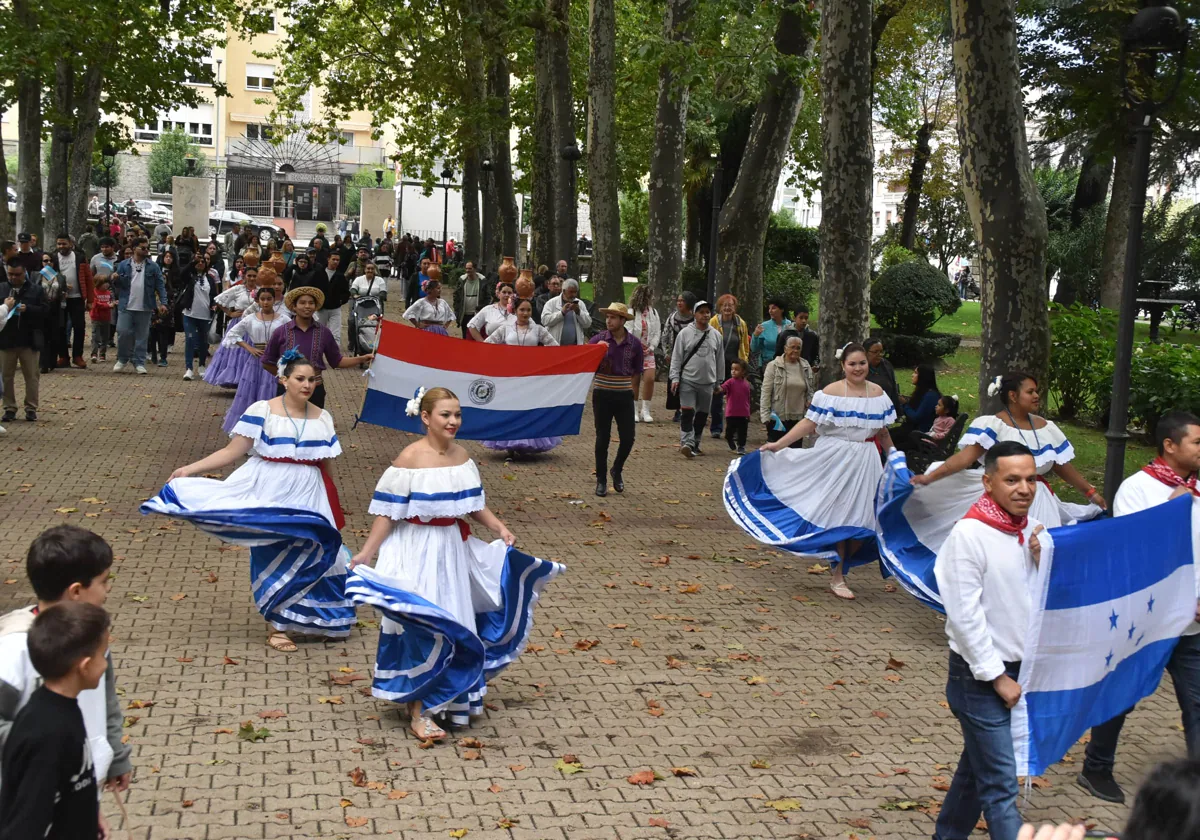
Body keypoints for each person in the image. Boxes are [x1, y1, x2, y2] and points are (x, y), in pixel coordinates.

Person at [347, 387, 562, 741]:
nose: (453, 421)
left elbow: (473, 504)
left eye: (457, 415)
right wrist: (368, 552)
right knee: (425, 623)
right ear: (426, 417)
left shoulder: (463, 457)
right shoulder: (409, 459)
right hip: (415, 548)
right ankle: (419, 711)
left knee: (456, 620)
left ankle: (446, 699)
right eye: (445, 415)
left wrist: (498, 527)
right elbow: (387, 512)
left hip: (451, 548)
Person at [143, 351, 354, 652]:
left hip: (310, 491)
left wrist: (333, 500)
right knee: (274, 551)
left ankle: (320, 619)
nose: (307, 385)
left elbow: (326, 463)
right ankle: (278, 627)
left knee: (323, 552)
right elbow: (232, 451)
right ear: (284, 380)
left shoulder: (323, 417)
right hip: (268, 487)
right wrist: (190, 469)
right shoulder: (262, 410)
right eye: (300, 379)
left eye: (312, 379)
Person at [1077, 411, 1200, 805]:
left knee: (1197, 703)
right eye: (1197, 442)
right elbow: (1135, 552)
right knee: (1122, 695)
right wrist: (1171, 509)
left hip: (1194, 625)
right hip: (1147, 622)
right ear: (1170, 444)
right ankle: (1096, 768)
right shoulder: (1137, 489)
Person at [885, 372, 1105, 575]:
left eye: (1036, 391)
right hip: (1001, 500)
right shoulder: (993, 425)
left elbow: (1062, 466)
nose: (1037, 396)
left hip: (1039, 502)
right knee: (1004, 557)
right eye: (1030, 391)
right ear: (1013, 396)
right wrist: (930, 477)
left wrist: (1091, 493)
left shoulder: (1046, 428)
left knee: (1042, 556)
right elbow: (964, 459)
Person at [933, 441, 1045, 840]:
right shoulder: (968, 535)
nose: (1024, 489)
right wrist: (997, 676)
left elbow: (1036, 600)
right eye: (1012, 479)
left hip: (1019, 672)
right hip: (979, 678)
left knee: (974, 770)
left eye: (1031, 479)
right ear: (987, 482)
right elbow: (964, 617)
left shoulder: (1033, 532)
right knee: (1000, 786)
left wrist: (1043, 560)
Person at [725, 342, 896, 600]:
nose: (858, 368)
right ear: (843, 366)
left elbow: (882, 431)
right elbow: (809, 423)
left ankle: (839, 562)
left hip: (867, 462)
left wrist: (895, 458)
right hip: (835, 459)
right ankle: (839, 574)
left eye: (862, 363)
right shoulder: (831, 392)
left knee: (865, 521)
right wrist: (779, 444)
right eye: (852, 364)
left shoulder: (878, 393)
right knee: (840, 517)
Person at [0, 526, 131, 799]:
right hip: (28, 796)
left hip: (82, 784)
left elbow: (107, 702)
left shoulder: (92, 635)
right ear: (76, 591)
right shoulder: (12, 649)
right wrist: (46, 744)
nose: (107, 591)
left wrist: (116, 756)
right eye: (104, 581)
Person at [0, 601, 111, 840]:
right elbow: (26, 820)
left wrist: (88, 811)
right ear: (84, 666)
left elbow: (67, 782)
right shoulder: (47, 733)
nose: (105, 665)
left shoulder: (63, 707)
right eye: (102, 656)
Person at [261, 287, 374, 409]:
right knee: (286, 426)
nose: (307, 306)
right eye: (302, 303)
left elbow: (337, 361)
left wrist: (362, 358)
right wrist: (285, 377)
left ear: (316, 307)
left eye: (311, 303)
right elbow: (266, 362)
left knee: (313, 425)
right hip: (287, 391)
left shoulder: (324, 332)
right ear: (294, 307)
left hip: (315, 390)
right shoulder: (281, 332)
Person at [481, 298, 562, 458]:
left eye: (528, 310)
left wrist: (541, 359)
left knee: (529, 407)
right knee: (510, 407)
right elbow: (487, 343)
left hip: (531, 376)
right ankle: (510, 445)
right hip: (510, 375)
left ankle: (527, 443)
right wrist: (498, 358)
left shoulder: (538, 329)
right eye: (522, 310)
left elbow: (555, 347)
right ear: (515, 311)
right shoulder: (505, 328)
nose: (525, 313)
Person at [589, 302, 644, 497]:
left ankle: (617, 469)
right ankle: (601, 480)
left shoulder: (634, 343)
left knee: (628, 438)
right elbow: (584, 360)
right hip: (602, 394)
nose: (608, 320)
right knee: (602, 438)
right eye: (607, 317)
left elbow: (638, 372)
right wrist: (596, 352)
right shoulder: (599, 339)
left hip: (624, 395)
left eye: (613, 317)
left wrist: (634, 398)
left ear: (622, 320)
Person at [670, 300, 724, 458]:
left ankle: (695, 442)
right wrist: (674, 377)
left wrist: (719, 381)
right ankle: (686, 442)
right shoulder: (685, 334)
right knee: (687, 412)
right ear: (694, 314)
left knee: (701, 415)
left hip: (708, 382)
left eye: (707, 312)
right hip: (688, 379)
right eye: (701, 312)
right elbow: (677, 357)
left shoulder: (716, 335)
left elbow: (719, 360)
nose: (705, 315)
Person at [112, 238, 169, 374]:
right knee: (123, 332)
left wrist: (163, 302)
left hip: (145, 305)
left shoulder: (153, 266)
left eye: (147, 248)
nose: (146, 250)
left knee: (142, 336)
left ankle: (139, 361)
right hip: (126, 304)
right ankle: (123, 358)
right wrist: (115, 279)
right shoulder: (124, 265)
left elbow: (160, 285)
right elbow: (118, 285)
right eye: (143, 248)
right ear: (134, 249)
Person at [0, 261, 47, 423]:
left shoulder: (36, 290)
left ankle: (31, 407)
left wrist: (29, 309)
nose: (14, 277)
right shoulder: (2, 288)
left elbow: (46, 311)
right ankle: (9, 407)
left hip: (29, 340)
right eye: (11, 274)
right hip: (6, 340)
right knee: (6, 376)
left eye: (17, 274)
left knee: (32, 376)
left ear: (24, 273)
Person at [204, 266, 260, 388]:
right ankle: (235, 379)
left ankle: (248, 380)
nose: (251, 278)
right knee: (236, 352)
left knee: (251, 352)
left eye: (254, 276)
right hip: (239, 324)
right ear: (244, 276)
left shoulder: (261, 290)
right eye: (249, 275)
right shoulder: (238, 289)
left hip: (255, 325)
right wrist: (230, 313)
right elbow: (218, 300)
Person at [759, 335, 815, 447]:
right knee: (776, 451)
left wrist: (810, 402)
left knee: (794, 453)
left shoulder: (805, 366)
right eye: (792, 347)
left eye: (798, 348)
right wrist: (765, 416)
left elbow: (810, 390)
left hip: (798, 419)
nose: (795, 350)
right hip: (778, 418)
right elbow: (766, 392)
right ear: (785, 348)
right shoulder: (773, 366)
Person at [708, 294, 750, 439]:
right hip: (718, 364)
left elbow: (744, 343)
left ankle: (735, 428)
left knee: (737, 397)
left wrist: (744, 361)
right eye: (724, 305)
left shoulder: (740, 323)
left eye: (730, 305)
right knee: (718, 395)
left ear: (734, 307)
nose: (727, 308)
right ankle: (716, 427)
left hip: (735, 365)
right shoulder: (714, 322)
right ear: (720, 307)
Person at [50, 234, 94, 369]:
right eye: (59, 244)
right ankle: (63, 357)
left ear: (70, 244)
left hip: (77, 298)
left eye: (64, 244)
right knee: (60, 328)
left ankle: (77, 356)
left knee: (79, 327)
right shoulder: (53, 257)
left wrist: (90, 300)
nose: (61, 247)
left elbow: (88, 278)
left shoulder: (80, 257)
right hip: (59, 298)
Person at [176, 254, 216, 382]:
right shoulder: (190, 277)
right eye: (198, 262)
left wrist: (214, 306)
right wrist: (192, 262)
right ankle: (189, 368)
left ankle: (202, 366)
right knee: (190, 338)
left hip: (204, 315)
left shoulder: (210, 279)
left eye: (203, 262)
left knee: (203, 341)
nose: (200, 263)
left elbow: (214, 295)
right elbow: (182, 273)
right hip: (190, 314)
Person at [627, 284, 661, 423]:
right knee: (634, 380)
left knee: (650, 379)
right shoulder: (631, 312)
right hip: (635, 351)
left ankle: (645, 409)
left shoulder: (653, 313)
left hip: (648, 351)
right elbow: (628, 330)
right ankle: (633, 409)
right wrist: (636, 346)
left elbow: (657, 331)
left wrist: (652, 346)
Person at [662, 292, 696, 423]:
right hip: (675, 355)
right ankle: (677, 409)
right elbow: (665, 336)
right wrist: (667, 353)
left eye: (683, 300)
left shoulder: (695, 319)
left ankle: (688, 409)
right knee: (675, 382)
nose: (679, 303)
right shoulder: (672, 318)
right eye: (678, 300)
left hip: (691, 356)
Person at [891, 364, 942, 450]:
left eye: (915, 373)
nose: (912, 375)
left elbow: (916, 417)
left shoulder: (931, 395)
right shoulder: (923, 392)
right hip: (912, 430)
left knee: (886, 440)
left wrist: (904, 404)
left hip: (919, 435)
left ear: (923, 377)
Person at [149, 249, 180, 367]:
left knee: (163, 335)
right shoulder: (152, 290)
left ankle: (163, 356)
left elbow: (171, 302)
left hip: (165, 314)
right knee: (152, 334)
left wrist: (166, 310)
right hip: (153, 311)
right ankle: (153, 355)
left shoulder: (169, 291)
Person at [310, 251, 349, 341]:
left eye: (337, 260)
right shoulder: (318, 273)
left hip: (335, 309)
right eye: (333, 259)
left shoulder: (340, 276)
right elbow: (312, 288)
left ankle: (334, 354)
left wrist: (340, 301)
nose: (335, 262)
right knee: (318, 333)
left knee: (335, 335)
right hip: (321, 308)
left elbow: (346, 292)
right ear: (328, 259)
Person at [541, 279, 590, 345]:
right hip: (555, 347)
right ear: (563, 291)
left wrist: (579, 312)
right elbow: (544, 321)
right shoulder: (551, 303)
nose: (574, 295)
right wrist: (561, 313)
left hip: (575, 347)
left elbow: (588, 324)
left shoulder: (580, 304)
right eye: (571, 292)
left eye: (575, 292)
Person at [720, 358, 752, 455]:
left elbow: (748, 398)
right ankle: (730, 441)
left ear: (743, 371)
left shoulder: (746, 384)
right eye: (732, 369)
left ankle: (741, 446)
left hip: (743, 413)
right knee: (729, 431)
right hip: (731, 412)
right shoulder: (730, 381)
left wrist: (749, 412)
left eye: (736, 369)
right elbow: (723, 388)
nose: (733, 371)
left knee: (742, 432)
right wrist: (717, 389)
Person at [751, 299, 789, 368]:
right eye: (769, 308)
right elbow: (754, 349)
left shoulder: (790, 325)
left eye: (773, 308)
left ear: (782, 309)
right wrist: (755, 336)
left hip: (787, 363)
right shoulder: (764, 326)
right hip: (768, 363)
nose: (770, 311)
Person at [864, 337, 900, 410]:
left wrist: (898, 410)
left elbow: (893, 388)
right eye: (875, 352)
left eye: (881, 352)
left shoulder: (886, 365)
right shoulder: (858, 368)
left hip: (885, 410)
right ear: (865, 352)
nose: (879, 354)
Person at [88, 273, 117, 364]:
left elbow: (112, 302)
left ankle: (102, 354)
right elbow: (96, 304)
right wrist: (108, 305)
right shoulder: (94, 292)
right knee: (95, 337)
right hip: (96, 318)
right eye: (104, 283)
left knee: (105, 337)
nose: (106, 285)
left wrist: (114, 303)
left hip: (106, 318)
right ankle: (94, 354)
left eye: (107, 283)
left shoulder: (109, 293)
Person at [455, 262, 488, 336]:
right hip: (464, 314)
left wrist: (482, 308)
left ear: (475, 269)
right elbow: (457, 296)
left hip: (477, 314)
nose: (467, 270)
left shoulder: (482, 281)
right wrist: (457, 311)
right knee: (465, 335)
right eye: (466, 268)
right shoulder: (462, 281)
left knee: (476, 335)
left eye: (470, 268)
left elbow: (487, 297)